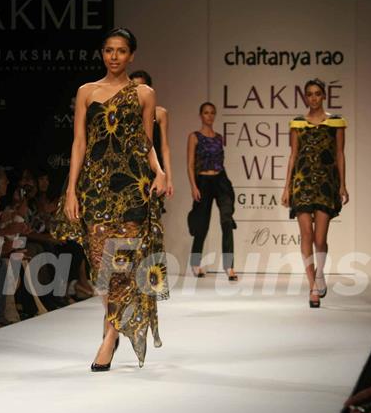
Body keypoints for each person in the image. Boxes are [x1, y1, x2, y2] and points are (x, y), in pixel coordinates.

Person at [52, 27, 169, 371]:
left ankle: (108, 338)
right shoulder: (86, 92)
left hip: (132, 184)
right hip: (95, 186)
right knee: (102, 266)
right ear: (102, 54)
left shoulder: (144, 93)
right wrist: (71, 189)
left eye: (120, 51)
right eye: (108, 50)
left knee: (123, 265)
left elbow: (144, 141)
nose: (114, 56)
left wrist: (159, 172)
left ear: (132, 56)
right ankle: (114, 328)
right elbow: (78, 143)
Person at [281, 78, 349, 308]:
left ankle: (320, 272)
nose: (313, 98)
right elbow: (293, 155)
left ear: (323, 96)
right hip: (301, 183)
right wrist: (286, 187)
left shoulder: (336, 122)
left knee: (321, 239)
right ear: (305, 97)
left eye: (317, 93)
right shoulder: (298, 123)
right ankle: (312, 286)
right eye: (309, 94)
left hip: (326, 184)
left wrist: (343, 184)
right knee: (307, 236)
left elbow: (340, 154)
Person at [186, 102, 238, 281]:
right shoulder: (194, 137)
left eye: (212, 113)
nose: (209, 116)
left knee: (226, 220)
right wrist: (193, 186)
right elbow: (190, 164)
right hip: (203, 181)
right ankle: (195, 262)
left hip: (221, 180)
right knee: (202, 224)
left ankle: (229, 266)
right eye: (206, 113)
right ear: (201, 115)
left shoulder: (218, 137)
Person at [129, 70, 174, 201]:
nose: (137, 92)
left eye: (141, 87)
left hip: (153, 169)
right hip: (129, 168)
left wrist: (168, 178)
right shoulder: (124, 115)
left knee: (152, 212)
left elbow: (164, 147)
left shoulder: (159, 113)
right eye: (133, 87)